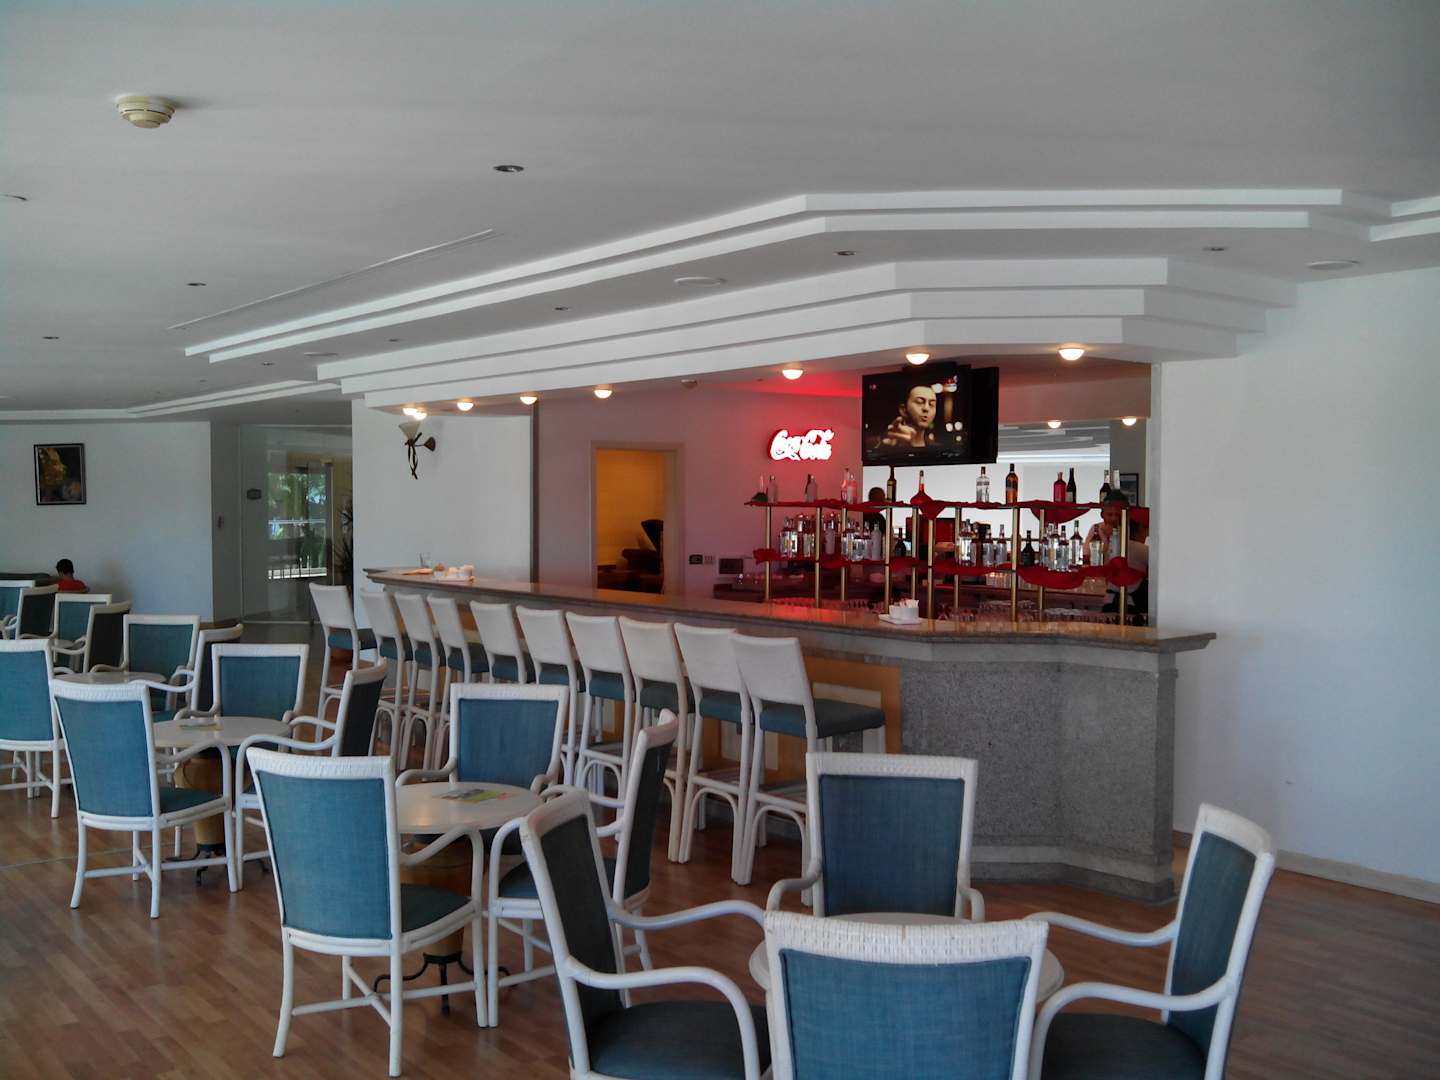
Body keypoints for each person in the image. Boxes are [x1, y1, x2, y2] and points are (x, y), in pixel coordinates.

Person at [1085, 491, 1147, 618]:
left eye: (1117, 515)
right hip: (1102, 587)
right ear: (1102, 514)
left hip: (1127, 594)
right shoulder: (1096, 529)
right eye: (1110, 514)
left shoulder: (1129, 532)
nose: (1113, 518)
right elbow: (1088, 557)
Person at [876, 383, 937, 449]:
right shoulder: (883, 442)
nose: (926, 408)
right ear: (903, 409)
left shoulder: (936, 448)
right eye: (919, 402)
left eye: (932, 404)